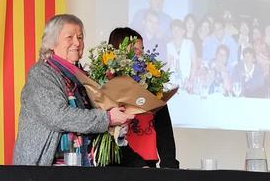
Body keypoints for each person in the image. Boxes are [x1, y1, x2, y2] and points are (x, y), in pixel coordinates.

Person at [12, 14, 132, 166]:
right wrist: (107, 118)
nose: (77, 42)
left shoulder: (83, 76)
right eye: (70, 37)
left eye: (80, 37)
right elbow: (57, 115)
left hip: (81, 168)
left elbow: (93, 116)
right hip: (45, 170)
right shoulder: (41, 73)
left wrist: (116, 123)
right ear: (51, 43)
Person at [107, 27, 179, 169]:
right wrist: (138, 165)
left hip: (149, 166)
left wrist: (169, 167)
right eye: (135, 51)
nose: (140, 56)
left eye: (142, 50)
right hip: (120, 168)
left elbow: (164, 132)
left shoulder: (152, 87)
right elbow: (110, 138)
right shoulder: (108, 88)